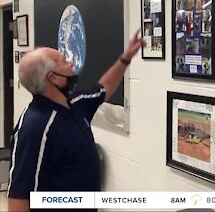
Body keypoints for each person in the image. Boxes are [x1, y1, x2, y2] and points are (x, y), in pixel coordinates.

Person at [7, 30, 145, 211]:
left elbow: (104, 88)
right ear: (53, 78)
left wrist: (125, 58)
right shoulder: (36, 126)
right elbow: (19, 197)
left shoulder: (75, 104)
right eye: (63, 61)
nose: (71, 62)